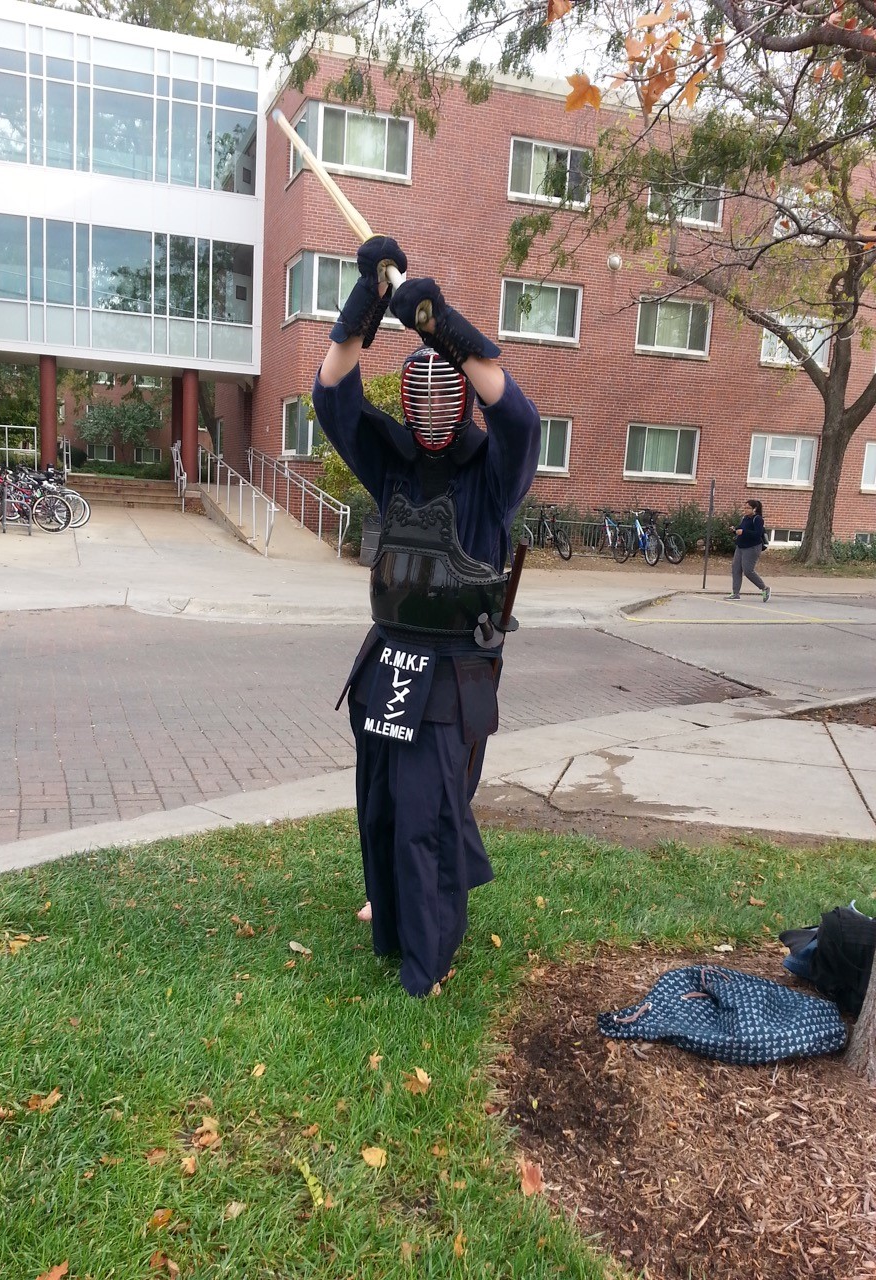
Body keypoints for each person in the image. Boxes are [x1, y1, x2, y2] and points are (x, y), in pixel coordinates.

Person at [312, 235, 541, 997]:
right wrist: (368, 303)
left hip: (453, 676)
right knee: (380, 805)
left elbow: (519, 417)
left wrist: (446, 329)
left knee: (428, 816)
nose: (436, 401)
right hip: (389, 664)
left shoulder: (492, 475)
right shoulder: (395, 462)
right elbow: (332, 392)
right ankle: (392, 920)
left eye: (452, 387)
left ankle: (428, 962)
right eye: (424, 386)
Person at [728, 499, 770, 601]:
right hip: (741, 546)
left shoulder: (758, 519)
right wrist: (735, 530)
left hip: (752, 547)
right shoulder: (745, 518)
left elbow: (757, 534)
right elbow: (741, 529)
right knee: (736, 569)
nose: (745, 510)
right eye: (745, 508)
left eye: (748, 508)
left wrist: (743, 532)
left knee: (748, 571)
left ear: (754, 509)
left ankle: (764, 588)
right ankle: (735, 593)